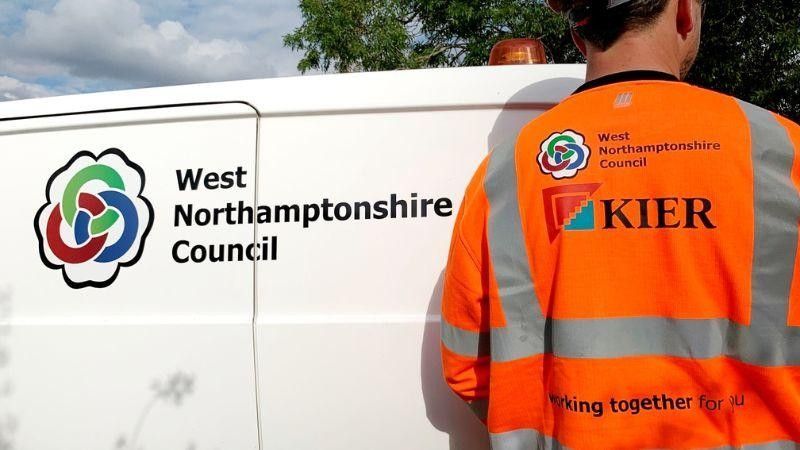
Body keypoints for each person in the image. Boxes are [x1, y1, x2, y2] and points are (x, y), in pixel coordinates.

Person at [439, 0, 800, 448]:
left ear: (578, 34)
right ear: (685, 12)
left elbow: (465, 368)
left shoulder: (503, 175)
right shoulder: (784, 151)